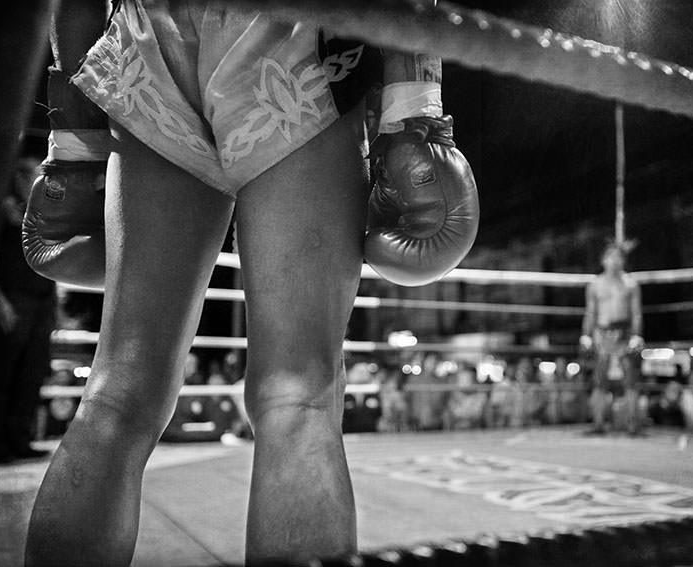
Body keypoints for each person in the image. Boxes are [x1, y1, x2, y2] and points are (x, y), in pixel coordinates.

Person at [25, 1, 477, 564]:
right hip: (292, 31)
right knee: (298, 396)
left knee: (118, 392)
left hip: (149, 39)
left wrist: (73, 144)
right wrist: (415, 110)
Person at [0, 157, 57, 464]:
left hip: (43, 299)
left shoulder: (45, 215)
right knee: (2, 372)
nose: (39, 182)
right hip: (14, 297)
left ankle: (20, 440)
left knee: (32, 372)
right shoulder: (2, 211)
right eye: (33, 176)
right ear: (18, 178)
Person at [579, 240, 644, 435]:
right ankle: (598, 424)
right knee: (599, 380)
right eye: (611, 257)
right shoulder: (595, 285)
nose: (615, 261)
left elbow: (636, 313)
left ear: (623, 261)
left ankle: (633, 425)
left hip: (624, 332)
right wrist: (586, 335)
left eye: (618, 257)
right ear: (603, 260)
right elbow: (590, 312)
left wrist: (637, 335)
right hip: (601, 333)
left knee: (630, 380)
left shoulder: (631, 284)